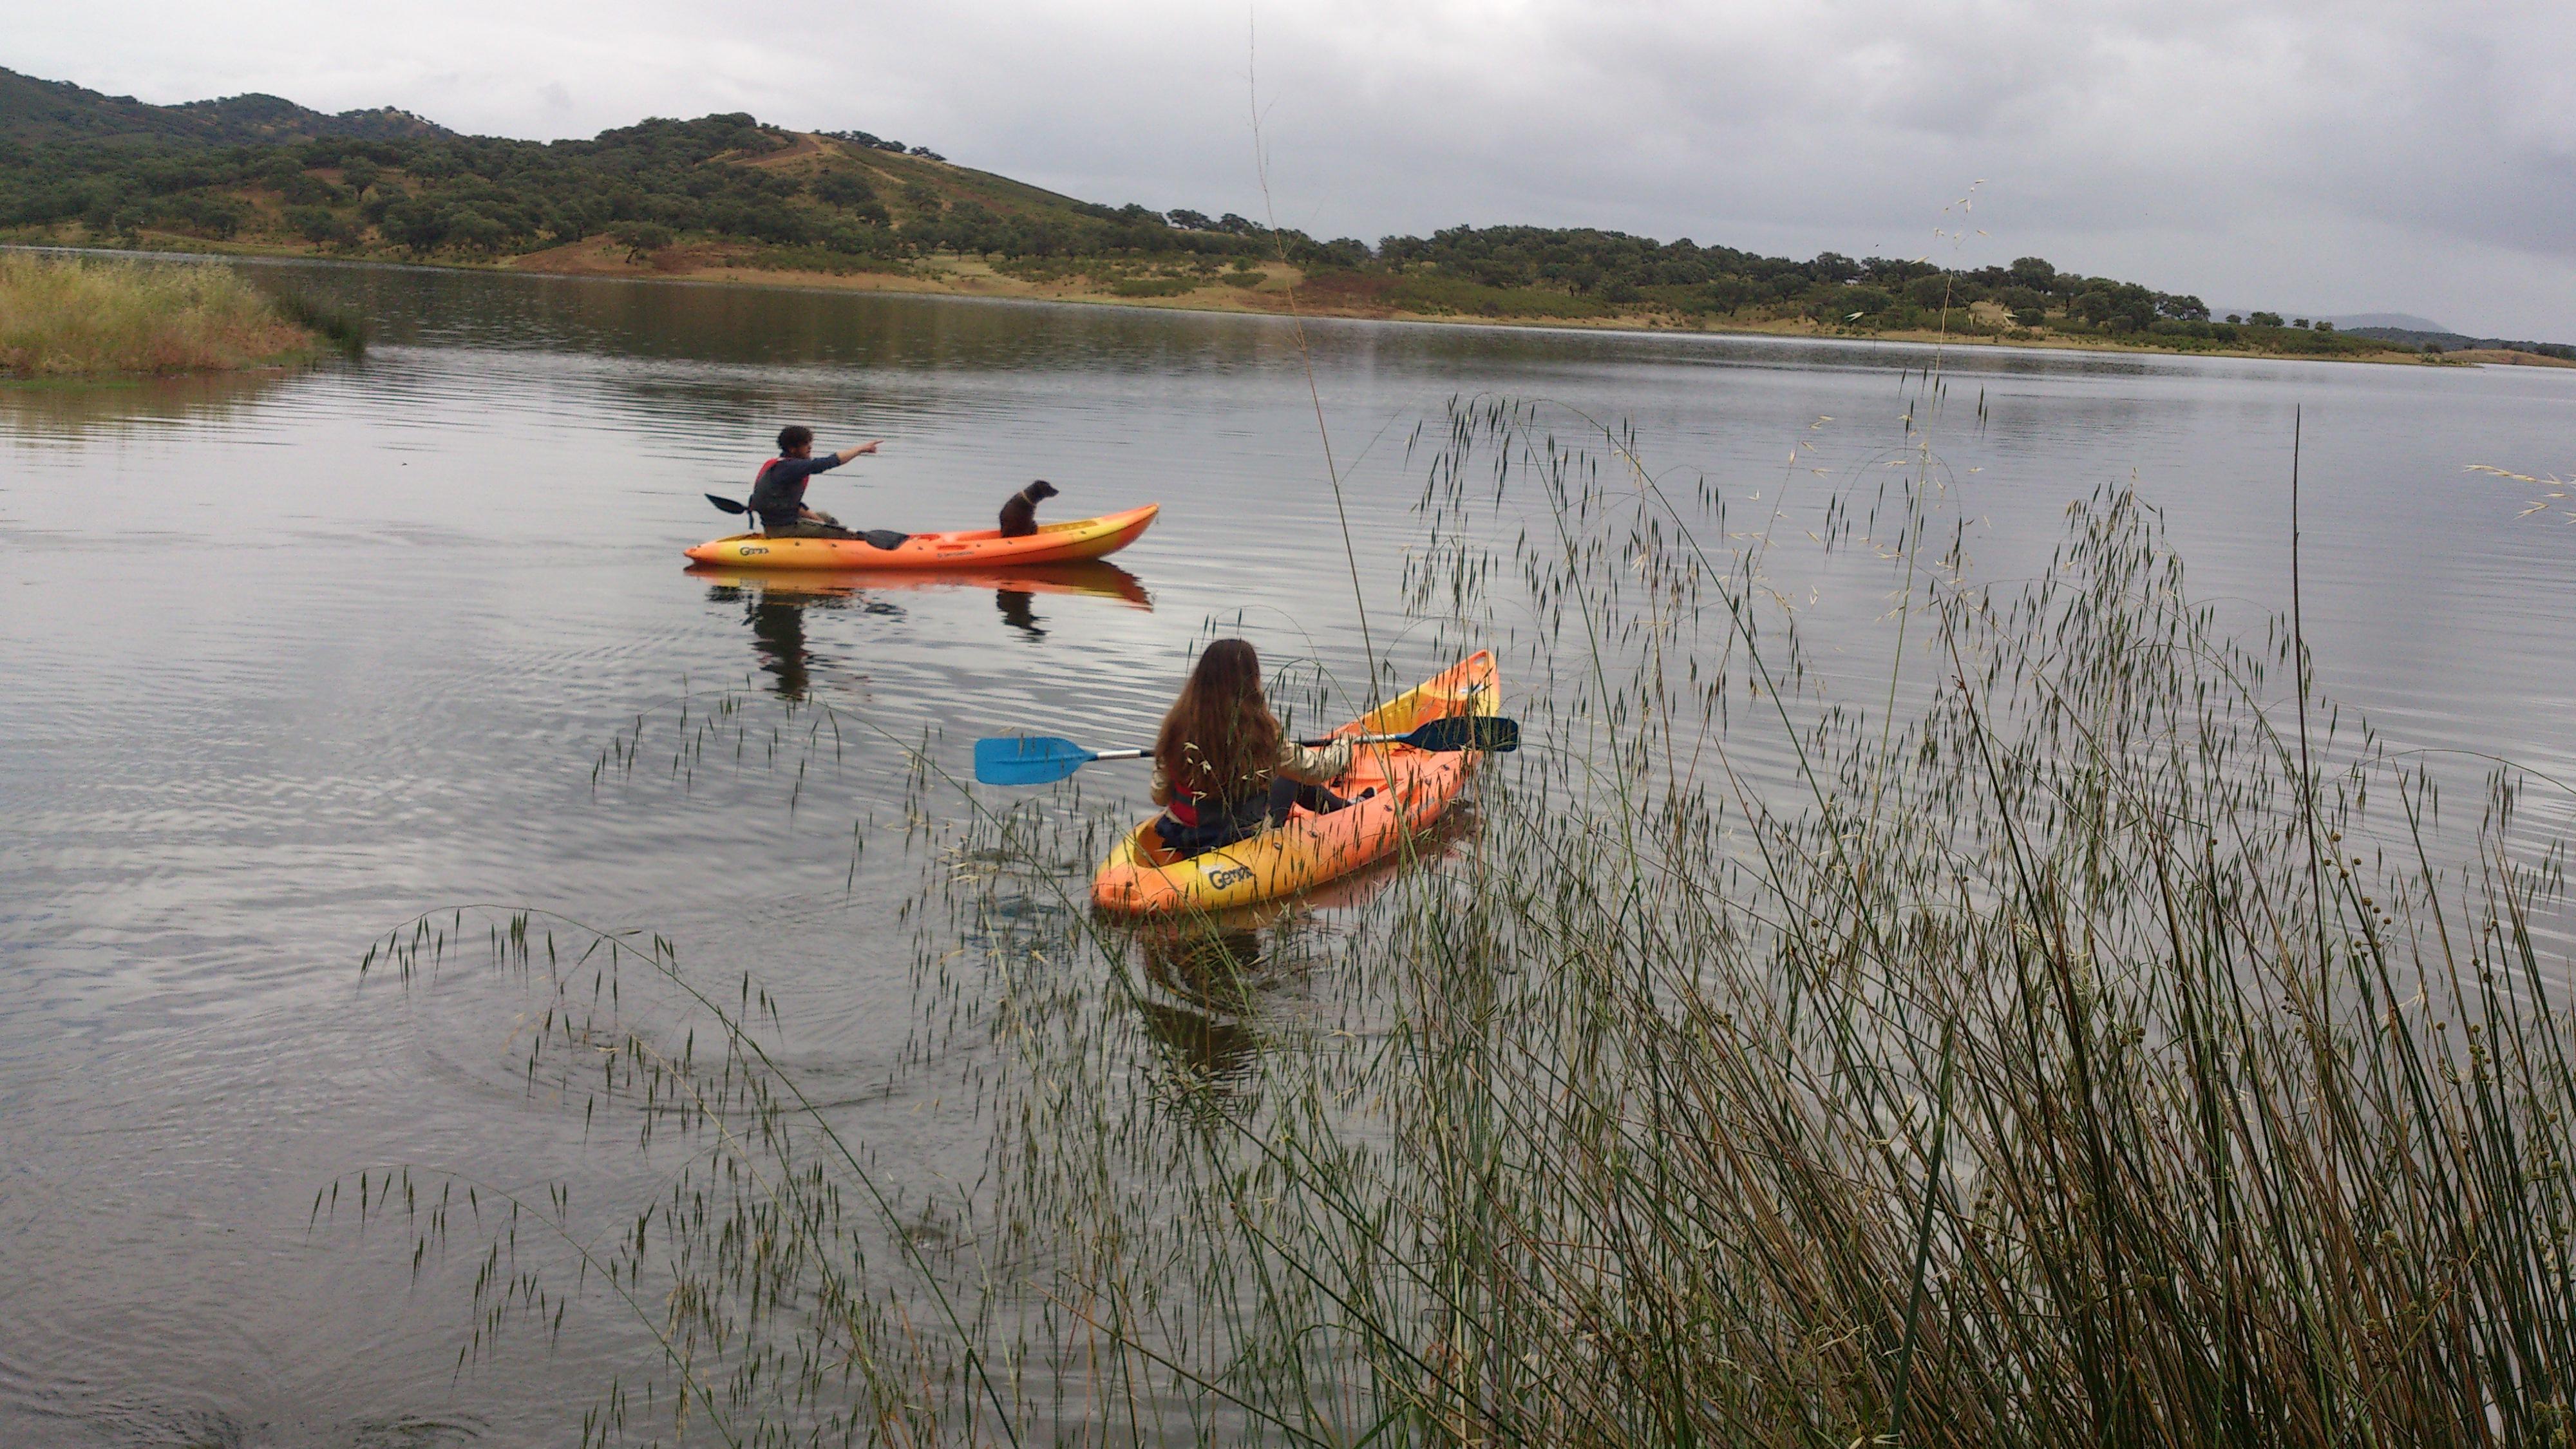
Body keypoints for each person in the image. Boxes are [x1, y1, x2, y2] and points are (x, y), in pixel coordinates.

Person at [1149, 639, 1358, 858]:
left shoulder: (1175, 726)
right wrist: (1344, 745)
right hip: (1238, 841)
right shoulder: (1258, 732)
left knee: (1286, 775)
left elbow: (1159, 797)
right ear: (1249, 680)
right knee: (1290, 777)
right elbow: (1316, 771)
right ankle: (1349, 808)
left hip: (1181, 835)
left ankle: (1346, 806)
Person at [748, 426, 881, 538]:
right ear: (792, 449)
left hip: (780, 524)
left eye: (809, 443)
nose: (810, 447)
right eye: (805, 444)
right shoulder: (792, 467)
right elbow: (829, 462)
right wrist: (859, 450)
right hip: (783, 530)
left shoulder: (782, 466)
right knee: (838, 532)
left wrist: (818, 520)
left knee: (826, 517)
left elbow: (790, 505)